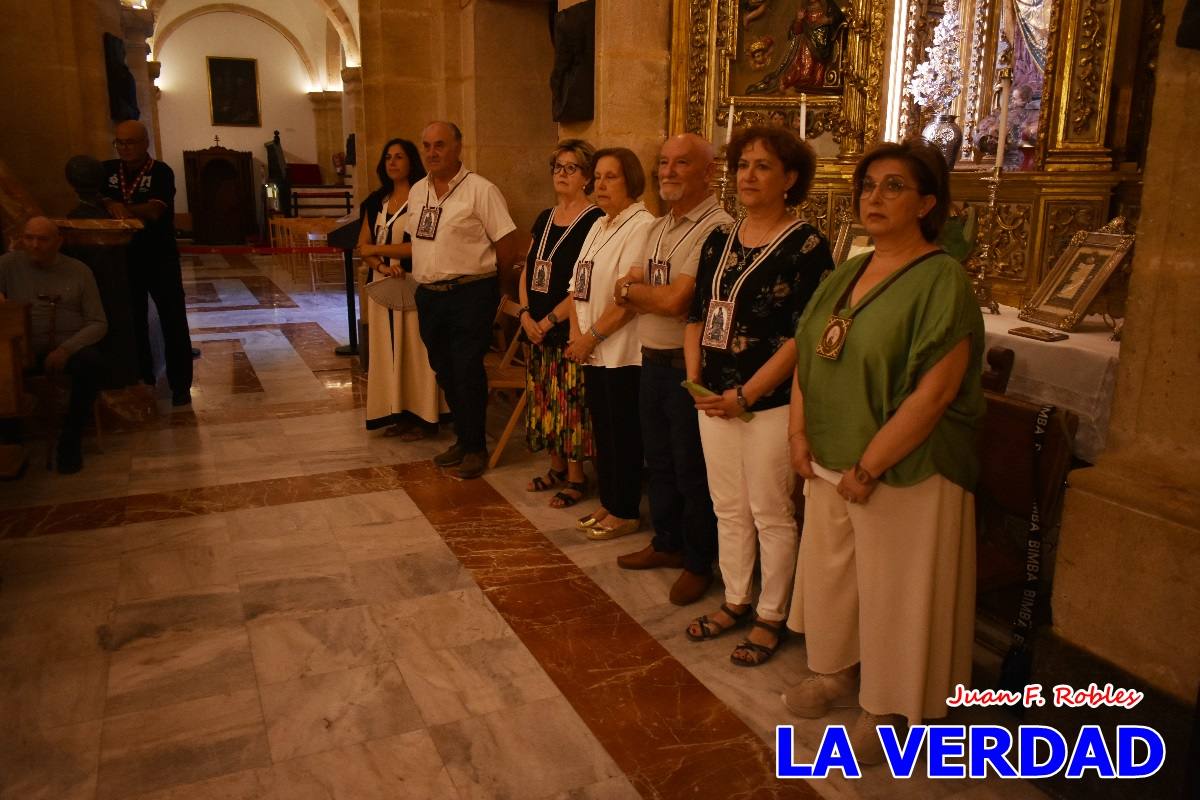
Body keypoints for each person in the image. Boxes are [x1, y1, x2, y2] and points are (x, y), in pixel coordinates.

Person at [782, 140, 984, 763]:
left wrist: (873, 464)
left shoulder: (942, 277)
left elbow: (935, 391)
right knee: (836, 576)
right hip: (830, 455)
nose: (874, 196)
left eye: (893, 186)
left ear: (927, 203)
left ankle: (892, 706)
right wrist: (798, 434)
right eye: (869, 185)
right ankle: (838, 670)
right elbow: (808, 351)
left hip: (905, 466)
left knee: (897, 587)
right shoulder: (850, 267)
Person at [682, 126, 832, 666]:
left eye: (763, 166)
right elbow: (697, 314)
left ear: (790, 178)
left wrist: (746, 393)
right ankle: (735, 599)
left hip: (767, 403)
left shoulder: (808, 245)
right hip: (712, 398)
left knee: (770, 510)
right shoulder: (719, 239)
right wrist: (696, 381)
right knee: (728, 507)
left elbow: (804, 337)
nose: (747, 175)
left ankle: (771, 614)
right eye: (742, 164)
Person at [611, 133, 732, 606]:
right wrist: (639, 294)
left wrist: (637, 294)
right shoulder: (658, 227)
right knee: (658, 461)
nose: (668, 172)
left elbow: (678, 300)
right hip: (651, 358)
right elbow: (631, 285)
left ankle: (699, 561)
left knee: (690, 469)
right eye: (663, 162)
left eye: (682, 163)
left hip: (687, 365)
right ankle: (667, 542)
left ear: (709, 171)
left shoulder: (716, 227)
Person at [406, 121, 521, 479]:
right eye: (426, 145)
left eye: (440, 144)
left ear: (458, 146)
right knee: (444, 369)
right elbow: (420, 242)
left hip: (471, 292)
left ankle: (475, 448)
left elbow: (507, 243)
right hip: (429, 295)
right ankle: (463, 436)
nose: (432, 152)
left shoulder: (480, 190)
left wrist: (500, 290)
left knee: (468, 370)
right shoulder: (417, 191)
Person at [566, 147, 655, 540]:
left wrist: (591, 337)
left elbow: (630, 299)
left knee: (623, 433)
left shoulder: (642, 225)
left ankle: (625, 510)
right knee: (603, 429)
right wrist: (576, 335)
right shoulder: (598, 224)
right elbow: (576, 286)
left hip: (620, 350)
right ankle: (609, 502)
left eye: (610, 177)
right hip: (592, 348)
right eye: (597, 176)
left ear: (631, 180)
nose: (600, 184)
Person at [518, 139, 604, 507]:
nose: (562, 174)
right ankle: (554, 467)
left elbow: (586, 282)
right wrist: (524, 314)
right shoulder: (545, 216)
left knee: (570, 403)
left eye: (571, 168)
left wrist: (551, 319)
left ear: (587, 177)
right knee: (544, 401)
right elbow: (527, 267)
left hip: (566, 324)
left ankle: (576, 476)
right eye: (558, 167)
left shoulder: (595, 221)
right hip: (535, 324)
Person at [0, 217, 108, 473]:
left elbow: (98, 322)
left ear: (58, 242)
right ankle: (11, 446)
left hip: (66, 345)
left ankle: (70, 439)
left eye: (42, 239)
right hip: (20, 348)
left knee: (92, 365)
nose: (34, 245)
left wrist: (66, 349)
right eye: (29, 238)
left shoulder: (79, 271)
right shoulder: (6, 266)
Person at [102, 119, 193, 406]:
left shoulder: (160, 172)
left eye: (131, 142)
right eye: (120, 142)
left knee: (173, 319)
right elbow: (98, 199)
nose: (125, 148)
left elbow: (154, 211)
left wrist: (121, 208)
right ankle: (144, 378)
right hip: (123, 258)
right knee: (133, 320)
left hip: (159, 257)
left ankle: (180, 384)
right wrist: (107, 204)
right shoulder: (107, 171)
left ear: (145, 143)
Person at [357, 137, 441, 439]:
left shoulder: (423, 197)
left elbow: (420, 246)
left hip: (412, 284)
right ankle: (396, 412)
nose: (392, 162)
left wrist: (378, 249)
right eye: (388, 157)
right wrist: (381, 264)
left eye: (399, 157)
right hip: (383, 283)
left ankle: (423, 416)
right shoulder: (375, 201)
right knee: (387, 351)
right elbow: (362, 246)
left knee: (414, 351)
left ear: (411, 162)